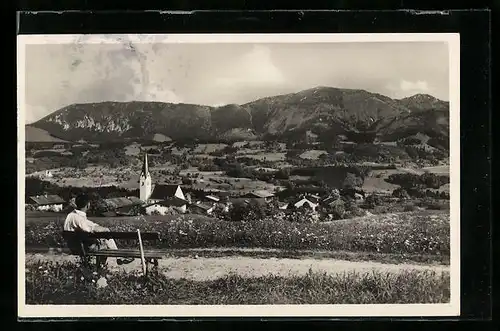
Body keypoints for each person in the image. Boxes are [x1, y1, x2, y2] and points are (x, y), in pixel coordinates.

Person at [63, 194, 134, 265]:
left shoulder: (70, 215)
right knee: (105, 243)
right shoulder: (78, 218)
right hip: (82, 248)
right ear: (88, 205)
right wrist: (105, 229)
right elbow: (90, 228)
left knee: (101, 240)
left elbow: (88, 225)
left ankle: (115, 259)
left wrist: (97, 227)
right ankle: (103, 266)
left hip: (73, 246)